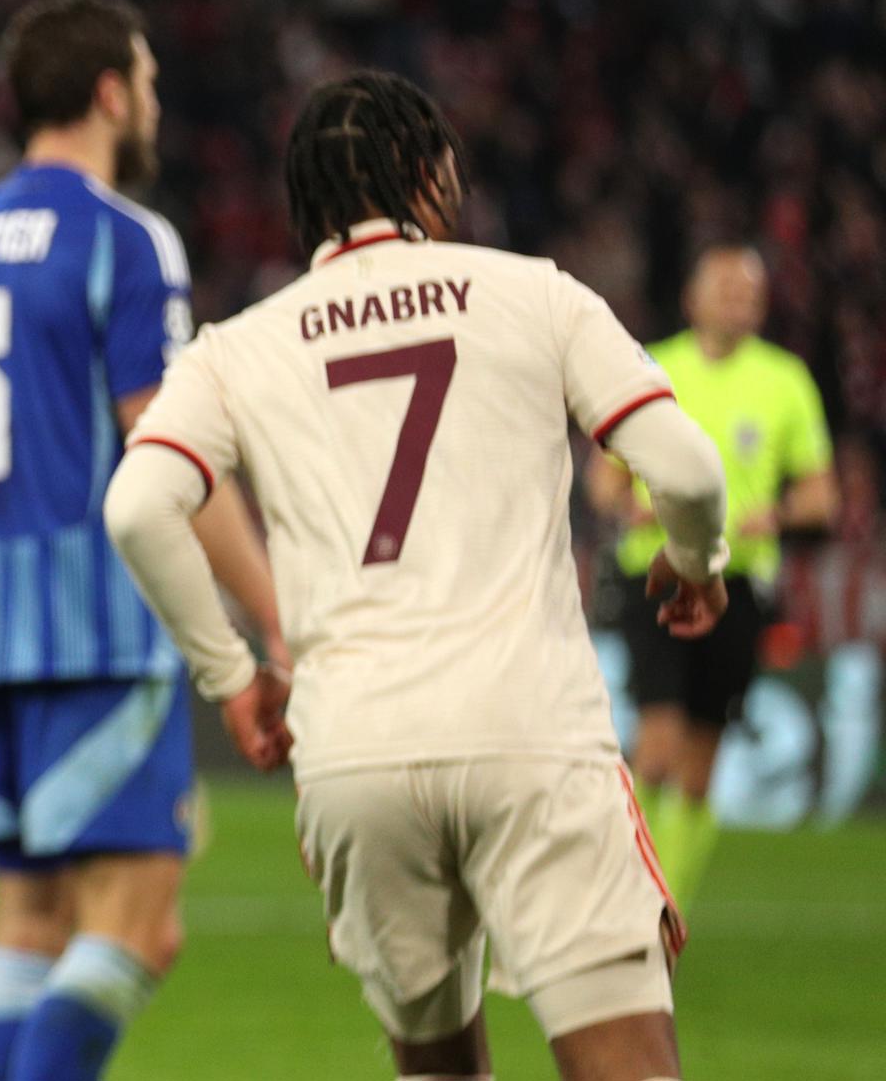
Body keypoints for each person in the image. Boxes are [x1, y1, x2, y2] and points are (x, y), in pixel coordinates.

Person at [104, 70, 731, 1081]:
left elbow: (137, 508)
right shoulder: (534, 292)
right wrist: (695, 561)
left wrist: (231, 678)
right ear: (434, 178)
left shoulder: (241, 347)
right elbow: (692, 471)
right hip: (529, 728)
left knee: (437, 1065)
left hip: (355, 751)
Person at [0, 0, 287, 1081]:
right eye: (151, 82)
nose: (155, 102)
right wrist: (273, 617)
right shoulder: (127, 240)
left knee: (28, 925)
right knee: (136, 925)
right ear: (112, 93)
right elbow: (162, 451)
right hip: (102, 626)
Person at [587, 244, 837, 907]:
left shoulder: (785, 381)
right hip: (658, 577)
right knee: (660, 748)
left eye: (747, 290)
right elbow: (603, 478)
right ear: (693, 298)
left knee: (700, 769)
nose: (736, 300)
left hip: (741, 587)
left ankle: (668, 908)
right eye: (723, 288)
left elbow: (821, 497)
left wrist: (774, 516)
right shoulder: (654, 366)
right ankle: (629, 897)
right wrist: (629, 503)